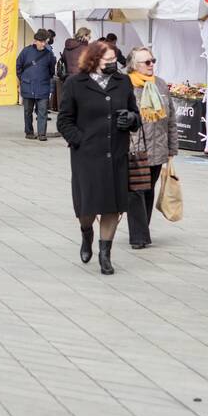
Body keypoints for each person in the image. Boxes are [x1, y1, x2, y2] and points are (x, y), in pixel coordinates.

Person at [57, 41, 141, 275]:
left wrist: (131, 119)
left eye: (114, 59)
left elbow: (136, 113)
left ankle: (105, 253)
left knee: (112, 206)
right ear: (94, 60)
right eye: (107, 60)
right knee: (87, 207)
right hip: (87, 156)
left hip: (116, 153)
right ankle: (86, 233)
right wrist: (79, 140)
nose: (112, 64)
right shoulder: (75, 83)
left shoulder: (122, 82)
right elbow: (64, 120)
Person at [124, 46, 178, 250]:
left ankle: (142, 229)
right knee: (137, 191)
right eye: (146, 62)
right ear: (134, 65)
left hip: (158, 148)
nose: (151, 65)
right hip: (135, 148)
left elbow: (170, 118)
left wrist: (172, 148)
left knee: (148, 190)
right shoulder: (125, 85)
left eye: (152, 61)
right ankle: (138, 236)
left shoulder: (161, 85)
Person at [17, 29, 56, 140]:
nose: (43, 44)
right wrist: (23, 79)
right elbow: (18, 66)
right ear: (35, 41)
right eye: (41, 41)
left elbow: (51, 71)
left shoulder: (49, 54)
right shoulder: (26, 51)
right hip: (28, 85)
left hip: (43, 86)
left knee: (42, 111)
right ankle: (29, 132)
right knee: (27, 111)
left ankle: (42, 134)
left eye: (45, 42)